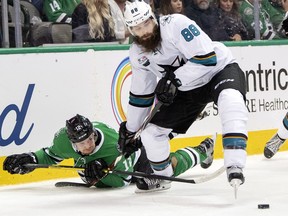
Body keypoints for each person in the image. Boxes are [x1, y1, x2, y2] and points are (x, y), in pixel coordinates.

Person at [118, 0, 248, 192]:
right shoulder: (137, 53)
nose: (144, 31)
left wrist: (175, 79)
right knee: (150, 133)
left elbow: (207, 59)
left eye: (146, 23)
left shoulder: (176, 24)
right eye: (137, 28)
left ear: (153, 18)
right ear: (131, 30)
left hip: (218, 70)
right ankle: (162, 176)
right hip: (187, 89)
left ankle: (235, 164)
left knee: (231, 100)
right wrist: (130, 130)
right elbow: (141, 94)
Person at [3, 114, 214, 190]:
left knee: (159, 174)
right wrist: (29, 161)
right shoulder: (62, 141)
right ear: (71, 142)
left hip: (133, 158)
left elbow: (125, 179)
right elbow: (50, 156)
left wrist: (102, 177)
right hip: (113, 167)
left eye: (90, 139)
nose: (87, 146)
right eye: (81, 143)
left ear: (94, 134)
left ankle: (202, 150)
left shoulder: (111, 144)